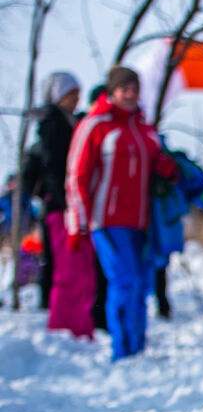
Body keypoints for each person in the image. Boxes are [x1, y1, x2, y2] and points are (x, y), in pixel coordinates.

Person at [65, 65, 176, 360]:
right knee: (123, 282)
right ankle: (122, 350)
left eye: (135, 89)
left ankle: (137, 347)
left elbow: (157, 162)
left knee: (141, 284)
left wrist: (168, 168)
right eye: (124, 89)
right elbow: (77, 174)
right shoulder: (96, 125)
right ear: (112, 91)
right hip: (107, 220)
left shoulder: (143, 128)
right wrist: (79, 222)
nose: (130, 94)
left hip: (142, 222)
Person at [30, 72, 94, 335]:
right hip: (61, 207)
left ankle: (79, 324)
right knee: (67, 270)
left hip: (73, 204)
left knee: (81, 269)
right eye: (70, 94)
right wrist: (67, 202)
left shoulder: (73, 121)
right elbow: (55, 169)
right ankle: (62, 325)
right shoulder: (54, 125)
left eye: (77, 93)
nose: (76, 99)